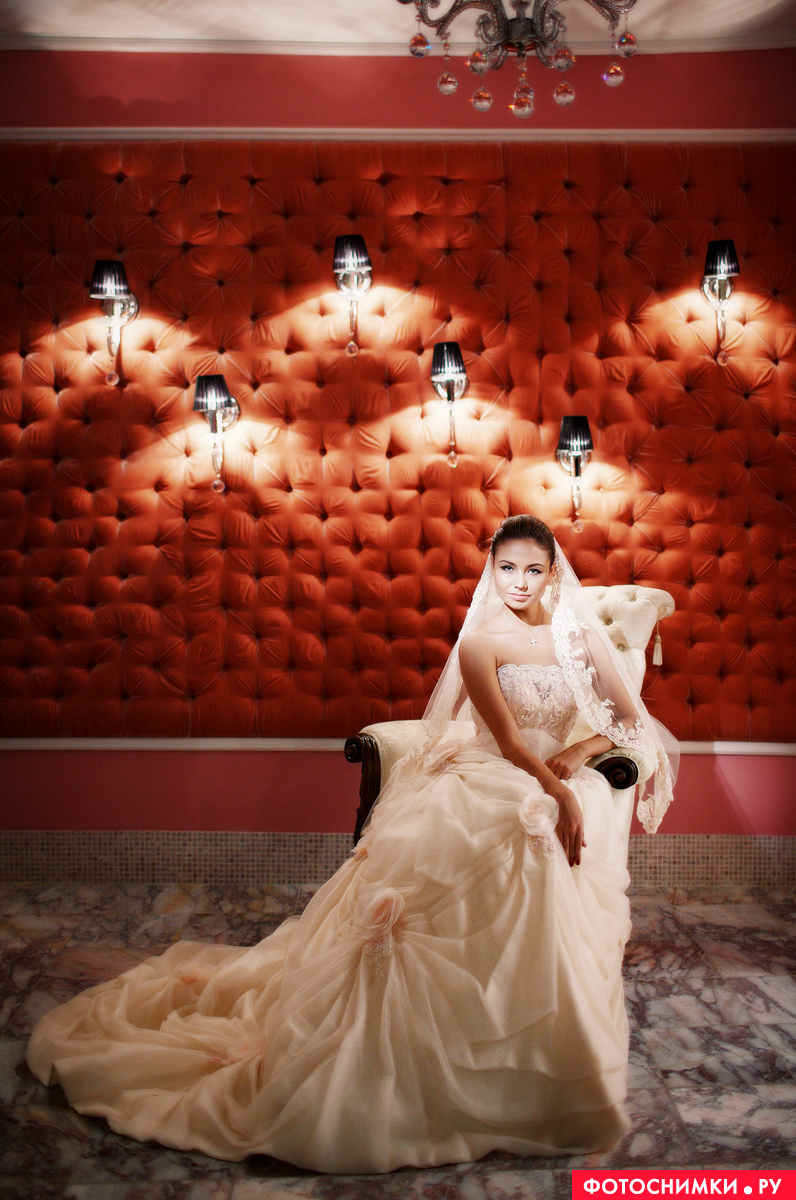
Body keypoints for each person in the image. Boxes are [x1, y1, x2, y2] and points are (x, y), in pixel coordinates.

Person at [27, 515, 677, 1175]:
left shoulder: (578, 638)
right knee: (519, 828)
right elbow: (508, 742)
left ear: (551, 571)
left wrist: (579, 751)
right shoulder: (482, 642)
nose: (518, 582)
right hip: (496, 772)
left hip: (554, 773)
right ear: (492, 570)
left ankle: (541, 1053)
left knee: (538, 840)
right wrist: (556, 789)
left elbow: (629, 719)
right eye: (506, 568)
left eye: (532, 569)